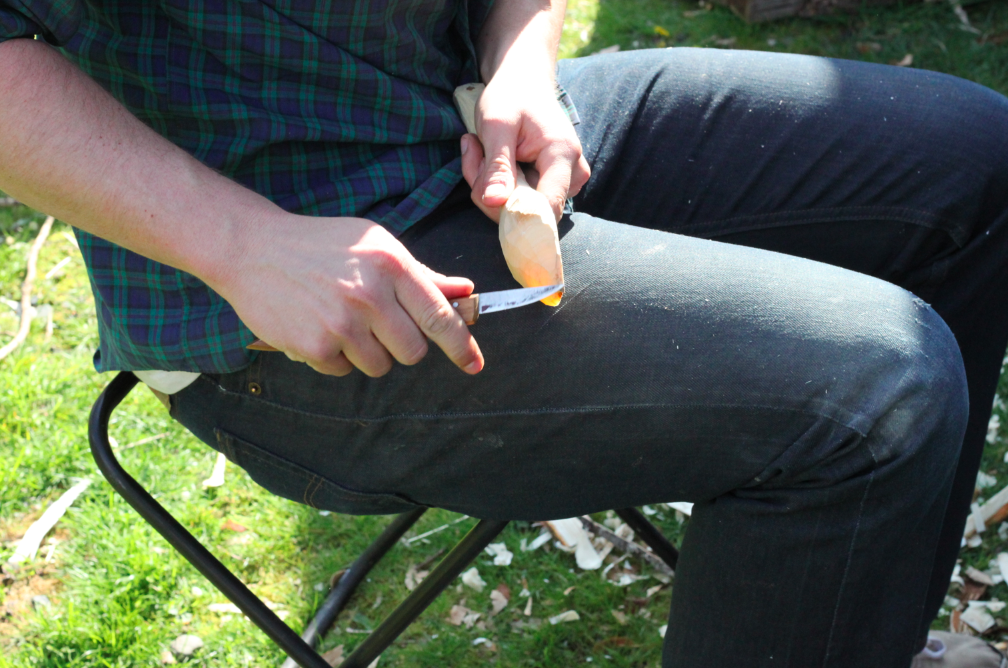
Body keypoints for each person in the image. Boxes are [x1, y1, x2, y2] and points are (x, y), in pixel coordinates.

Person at [1, 0, 1007, 665]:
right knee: (876, 393)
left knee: (980, 172)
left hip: (461, 126)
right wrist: (240, 244)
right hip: (270, 283)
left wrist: (518, 68)